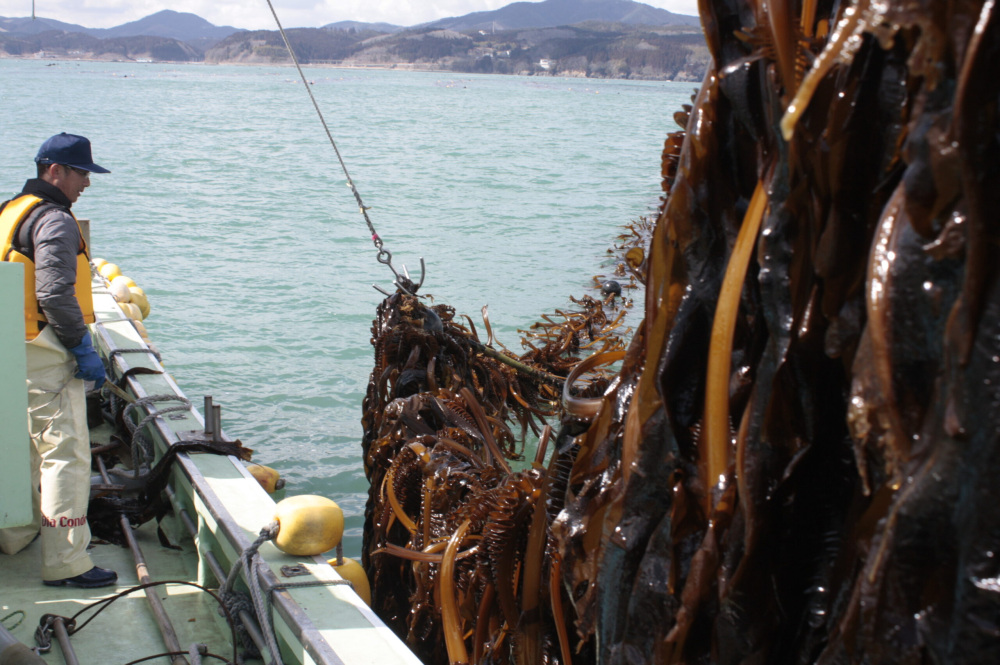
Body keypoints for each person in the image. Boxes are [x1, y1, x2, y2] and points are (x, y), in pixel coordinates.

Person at [0, 133, 118, 588]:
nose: (86, 183)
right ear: (55, 171)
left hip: (12, 346)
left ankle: (16, 533)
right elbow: (52, 293)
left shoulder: (11, 210)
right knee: (65, 455)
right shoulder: (54, 221)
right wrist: (81, 349)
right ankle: (67, 563)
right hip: (45, 351)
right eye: (82, 173)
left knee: (22, 445)